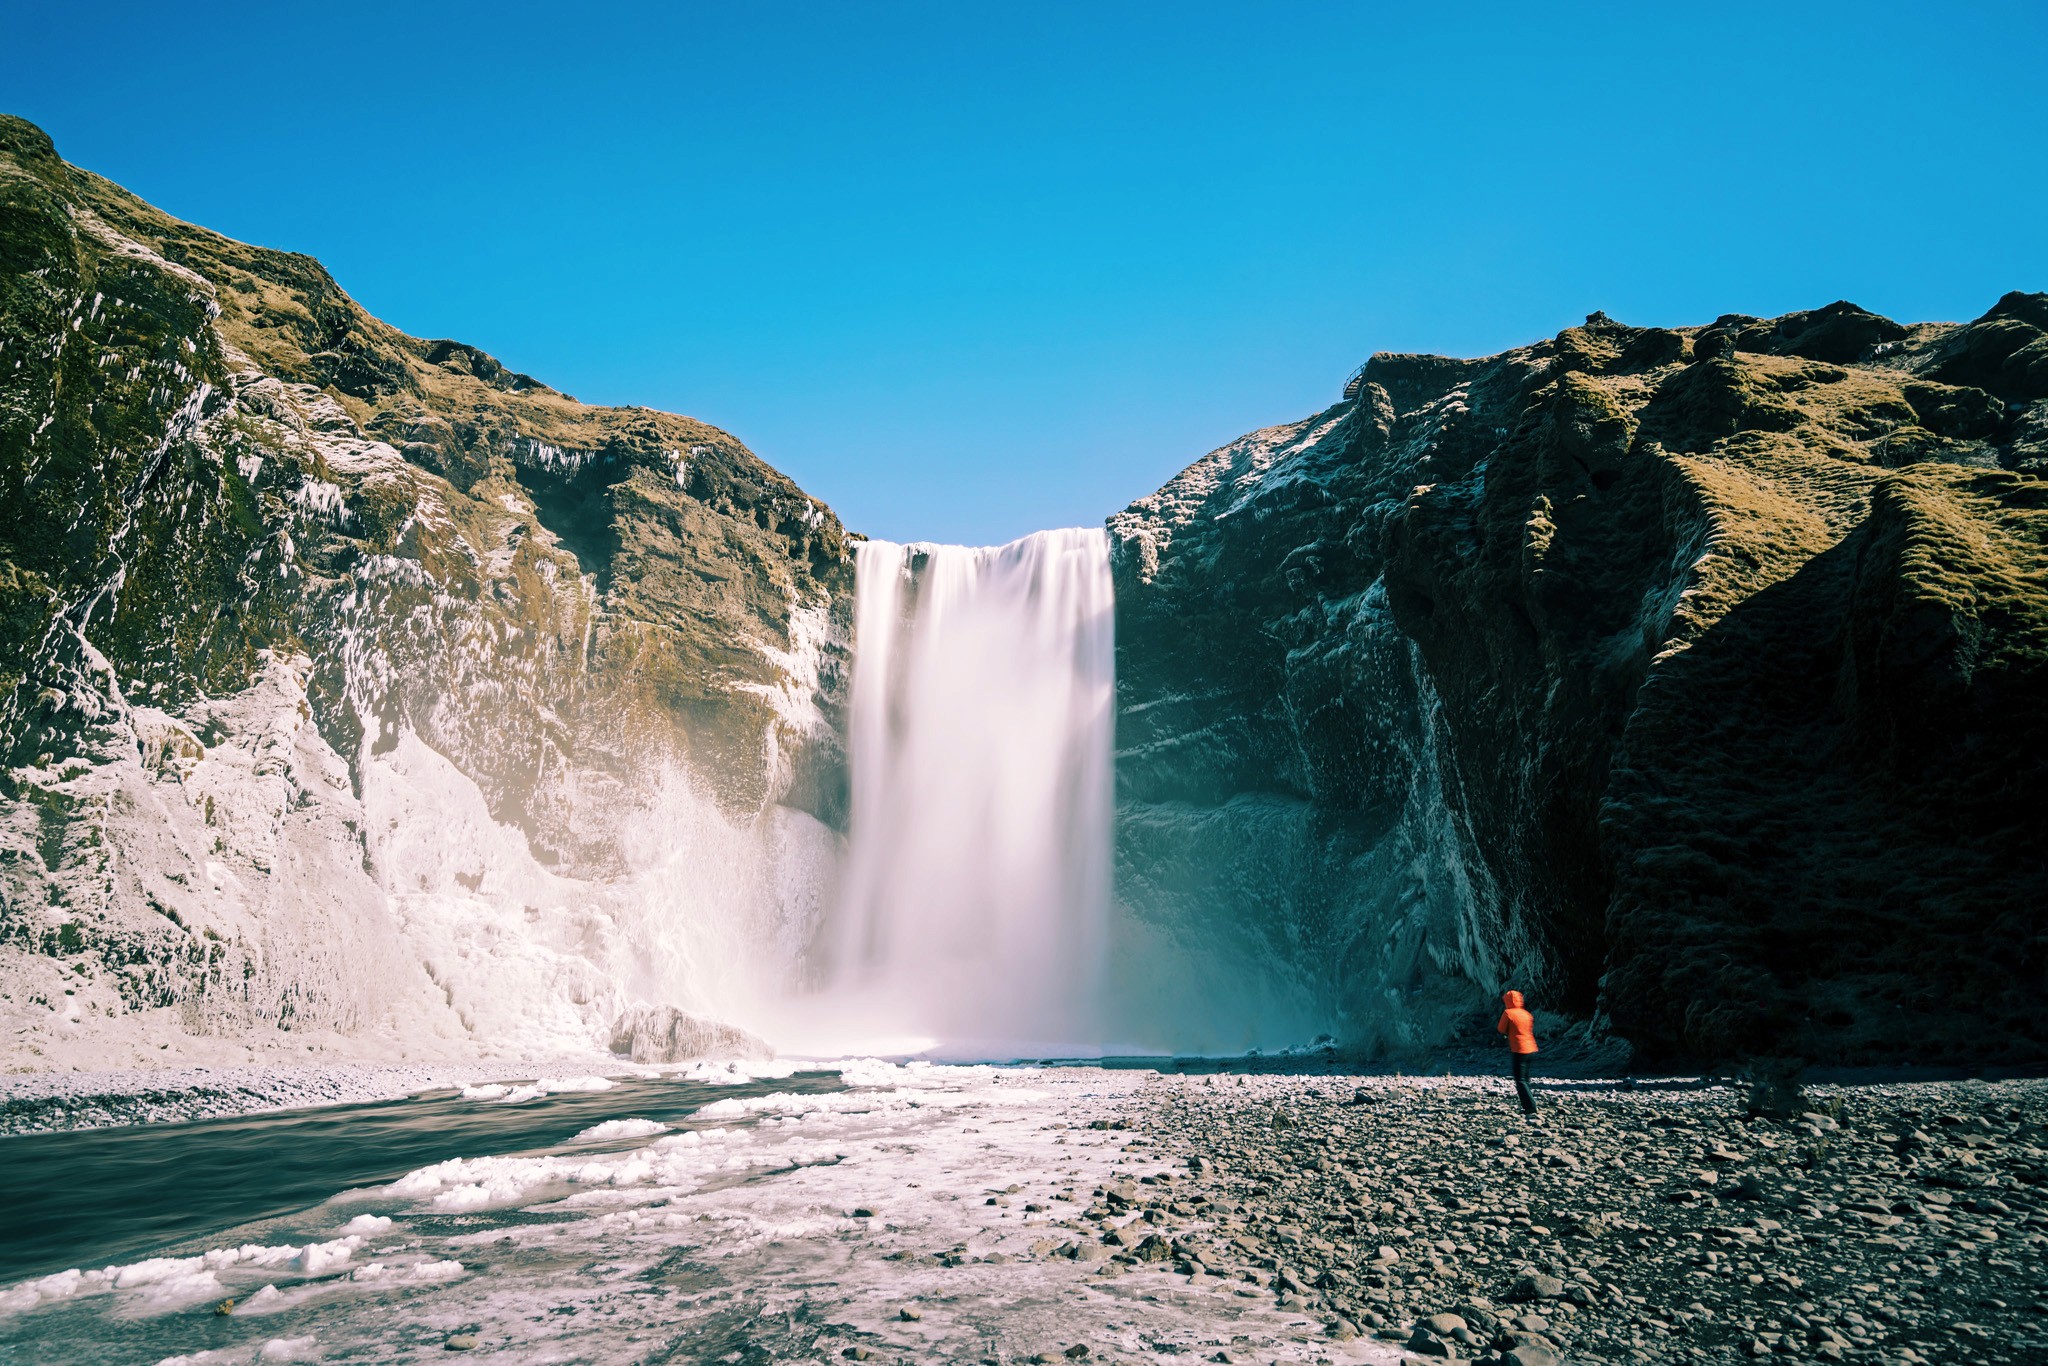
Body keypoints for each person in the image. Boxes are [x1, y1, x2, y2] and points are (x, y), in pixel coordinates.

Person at [1496, 989, 1539, 1117]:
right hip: (1531, 1048)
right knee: (1525, 1078)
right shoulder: (1526, 1014)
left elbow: (1501, 1029)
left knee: (1520, 1080)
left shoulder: (1508, 1013)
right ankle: (1530, 1103)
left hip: (1519, 1049)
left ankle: (1530, 1107)